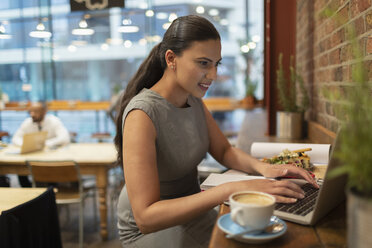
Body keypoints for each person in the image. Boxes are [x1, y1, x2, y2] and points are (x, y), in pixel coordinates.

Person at [114, 15, 318, 248]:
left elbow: (223, 150)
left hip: (192, 209)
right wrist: (231, 189)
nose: (213, 75)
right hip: (152, 229)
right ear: (171, 59)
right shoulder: (142, 114)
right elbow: (146, 218)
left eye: (216, 63)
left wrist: (267, 168)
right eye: (203, 63)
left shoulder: (193, 99)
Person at [12, 101, 70, 187]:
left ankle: (51, 190)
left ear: (44, 112)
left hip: (51, 158)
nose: (32, 114)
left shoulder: (54, 121)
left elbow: (64, 138)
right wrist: (27, 144)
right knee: (20, 167)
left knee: (51, 172)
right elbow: (15, 138)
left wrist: (46, 144)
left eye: (35, 111)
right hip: (32, 157)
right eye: (30, 111)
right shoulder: (27, 122)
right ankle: (28, 192)